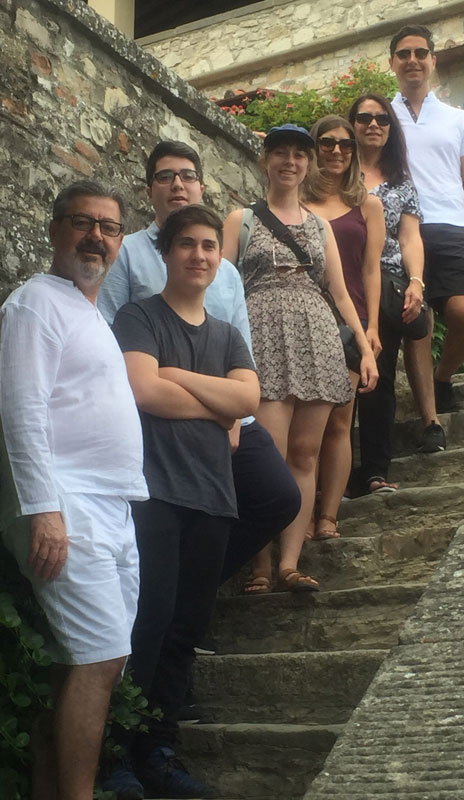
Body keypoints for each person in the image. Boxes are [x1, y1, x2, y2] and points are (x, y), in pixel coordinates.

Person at [0, 180, 148, 800]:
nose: (97, 236)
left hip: (110, 506)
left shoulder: (90, 312)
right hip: (68, 504)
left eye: (109, 227)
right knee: (100, 657)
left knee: (86, 661)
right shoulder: (34, 302)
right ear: (56, 229)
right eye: (83, 223)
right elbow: (22, 407)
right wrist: (44, 510)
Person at [98, 140, 301, 588]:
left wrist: (232, 415)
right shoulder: (128, 254)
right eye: (166, 176)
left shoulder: (222, 269)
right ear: (150, 188)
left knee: (278, 497)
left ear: (201, 187)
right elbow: (107, 337)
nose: (178, 184)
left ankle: (197, 588)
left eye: (187, 175)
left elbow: (239, 349)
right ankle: (178, 601)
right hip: (157, 412)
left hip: (226, 411)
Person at [107, 204, 259, 799]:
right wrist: (219, 401)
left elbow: (249, 396)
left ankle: (159, 750)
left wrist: (185, 379)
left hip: (213, 497)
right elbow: (144, 391)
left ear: (220, 259)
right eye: (187, 245)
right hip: (156, 494)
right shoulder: (138, 316)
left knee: (184, 630)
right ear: (166, 253)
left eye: (209, 246)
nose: (199, 255)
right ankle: (115, 754)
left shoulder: (226, 335)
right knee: (146, 626)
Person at [223, 123, 378, 591]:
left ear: (307, 165)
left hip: (317, 336)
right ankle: (259, 564)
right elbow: (223, 287)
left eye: (298, 154)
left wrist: (365, 349)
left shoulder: (320, 226)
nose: (289, 161)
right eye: (280, 153)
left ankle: (289, 562)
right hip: (262, 335)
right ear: (264, 160)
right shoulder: (241, 220)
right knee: (268, 455)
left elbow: (339, 291)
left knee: (306, 454)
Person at [389, 25, 464, 413]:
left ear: (433, 61)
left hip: (453, 226)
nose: (412, 60)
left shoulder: (457, 119)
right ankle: (429, 418)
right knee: (418, 324)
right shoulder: (381, 117)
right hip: (400, 228)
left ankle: (443, 376)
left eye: (421, 53)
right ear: (392, 63)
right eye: (404, 54)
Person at [348, 93, 444, 493]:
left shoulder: (403, 185)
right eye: (365, 117)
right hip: (339, 283)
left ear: (391, 129)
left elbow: (410, 239)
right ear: (351, 123)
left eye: (383, 119)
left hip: (384, 284)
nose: (374, 124)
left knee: (378, 379)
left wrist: (417, 282)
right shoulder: (336, 174)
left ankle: (373, 470)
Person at [302, 114, 385, 532]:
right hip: (301, 323)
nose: (337, 150)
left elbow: (372, 269)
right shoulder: (296, 202)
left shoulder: (367, 205)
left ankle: (329, 515)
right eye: (327, 143)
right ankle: (303, 508)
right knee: (304, 426)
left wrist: (371, 327)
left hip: (350, 323)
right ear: (314, 148)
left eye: (346, 144)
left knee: (339, 421)